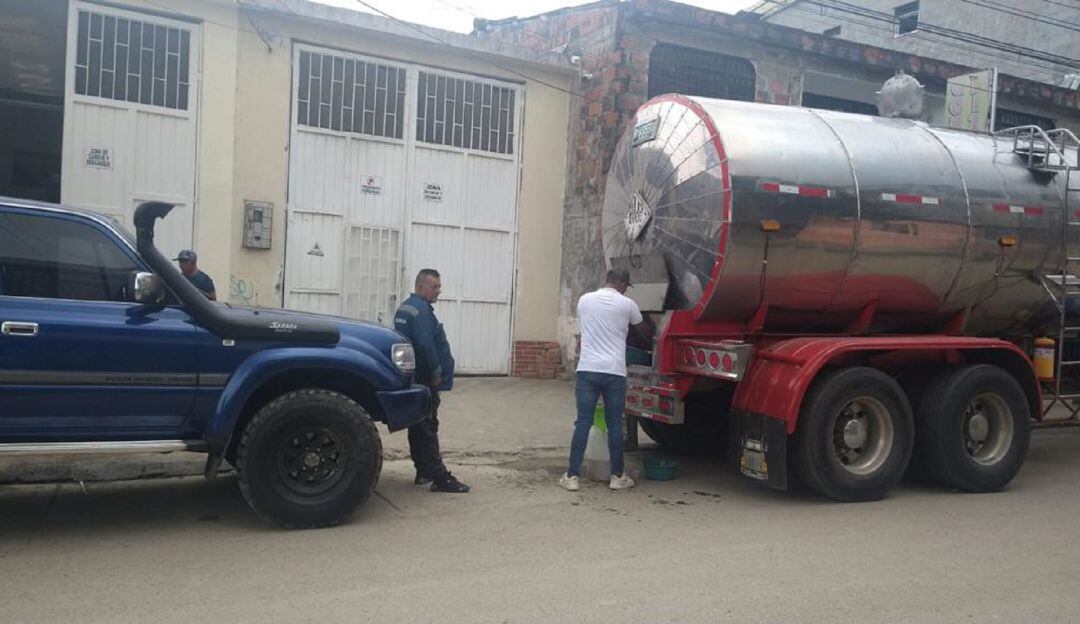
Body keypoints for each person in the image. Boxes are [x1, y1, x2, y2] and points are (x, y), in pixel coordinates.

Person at [560, 268, 650, 492]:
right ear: (621, 283)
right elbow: (644, 333)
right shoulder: (628, 305)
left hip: (588, 370)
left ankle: (572, 476)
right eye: (625, 286)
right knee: (614, 425)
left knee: (583, 422)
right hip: (614, 372)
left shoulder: (584, 300)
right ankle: (617, 476)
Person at [394, 269, 470, 494]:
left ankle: (423, 471)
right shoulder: (422, 312)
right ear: (421, 286)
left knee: (417, 426)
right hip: (425, 379)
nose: (439, 290)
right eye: (435, 286)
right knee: (428, 426)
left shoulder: (405, 308)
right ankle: (440, 476)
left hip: (412, 377)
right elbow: (426, 346)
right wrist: (436, 372)